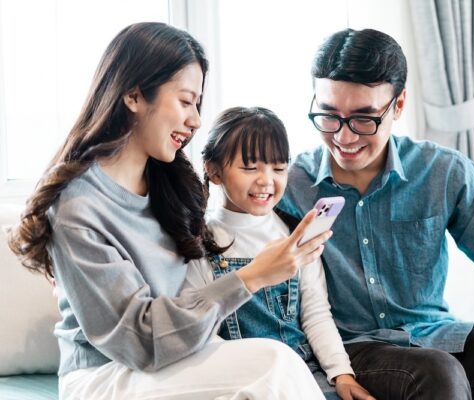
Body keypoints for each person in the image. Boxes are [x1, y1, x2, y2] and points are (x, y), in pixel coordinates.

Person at [8, 22, 331, 400]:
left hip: (174, 361)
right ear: (133, 95)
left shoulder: (170, 185)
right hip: (106, 374)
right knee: (273, 364)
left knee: (268, 369)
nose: (196, 120)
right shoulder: (78, 207)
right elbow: (139, 341)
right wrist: (252, 276)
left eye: (198, 104)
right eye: (185, 101)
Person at [277, 28, 474, 400]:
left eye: (364, 119)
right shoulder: (289, 186)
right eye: (329, 116)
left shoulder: (442, 172)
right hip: (351, 352)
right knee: (438, 373)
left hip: (438, 337)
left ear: (399, 105)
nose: (344, 137)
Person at [200, 106, 375, 400]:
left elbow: (316, 313)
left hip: (302, 371)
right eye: (250, 168)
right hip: (243, 379)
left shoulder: (294, 233)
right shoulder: (201, 242)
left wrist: (341, 374)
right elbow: (202, 330)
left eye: (279, 168)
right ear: (214, 170)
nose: (266, 180)